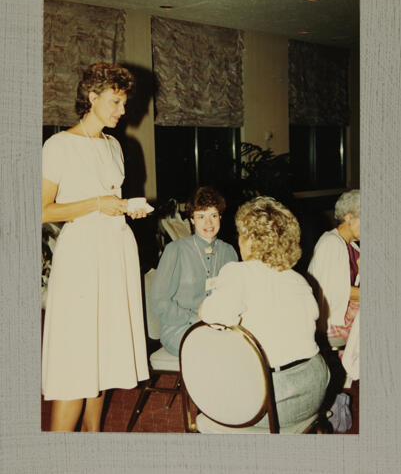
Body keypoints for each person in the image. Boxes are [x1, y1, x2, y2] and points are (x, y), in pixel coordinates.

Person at [42, 62, 150, 431]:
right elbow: (39, 210)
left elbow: (110, 198)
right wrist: (96, 205)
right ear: (92, 98)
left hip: (115, 251)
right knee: (77, 362)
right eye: (116, 102)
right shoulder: (58, 145)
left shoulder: (115, 145)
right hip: (81, 258)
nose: (123, 111)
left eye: (124, 103)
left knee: (102, 357)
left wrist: (123, 208)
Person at [200, 196, 329, 430]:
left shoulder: (238, 272)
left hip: (271, 401)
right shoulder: (299, 279)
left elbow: (212, 316)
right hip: (315, 389)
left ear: (249, 240)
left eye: (240, 234)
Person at [149, 186, 238, 356]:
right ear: (191, 220)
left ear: (220, 216)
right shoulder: (175, 250)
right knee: (216, 350)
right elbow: (158, 301)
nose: (208, 223)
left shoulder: (229, 252)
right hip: (180, 327)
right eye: (201, 217)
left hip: (220, 326)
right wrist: (195, 319)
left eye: (213, 215)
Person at [307, 189, 360, 345]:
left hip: (346, 316)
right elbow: (337, 292)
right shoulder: (331, 243)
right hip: (333, 323)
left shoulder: (352, 246)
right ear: (348, 217)